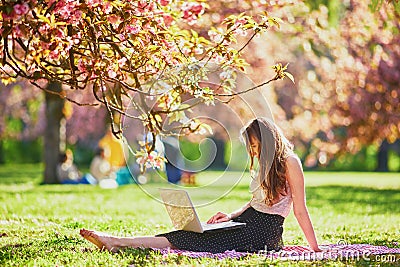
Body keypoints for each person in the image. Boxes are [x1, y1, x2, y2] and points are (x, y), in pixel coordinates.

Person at [80, 118, 321, 253]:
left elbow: (299, 208)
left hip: (262, 233)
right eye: (252, 148)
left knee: (192, 239)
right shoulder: (267, 164)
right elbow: (258, 202)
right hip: (247, 221)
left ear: (268, 140)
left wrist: (315, 249)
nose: (254, 152)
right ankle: (117, 241)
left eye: (256, 146)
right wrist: (231, 215)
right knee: (192, 234)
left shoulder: (290, 162)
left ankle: (117, 242)